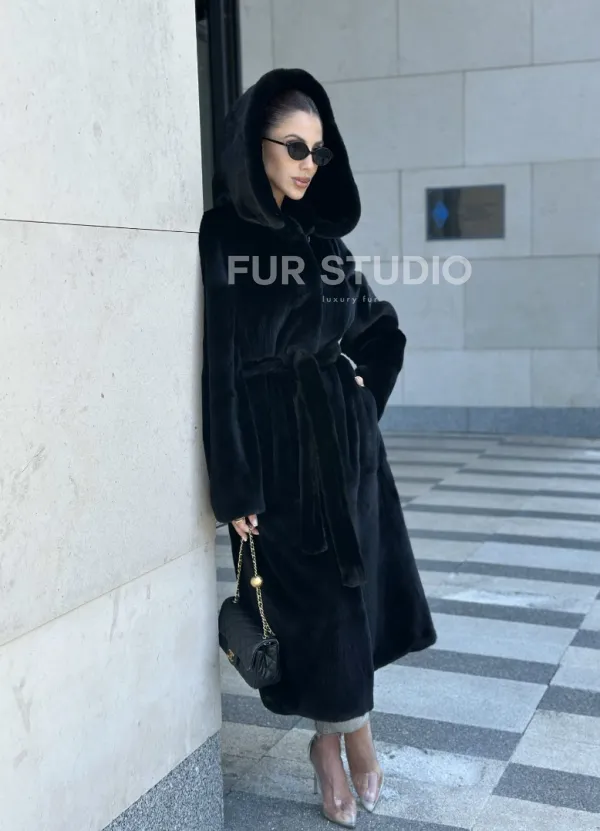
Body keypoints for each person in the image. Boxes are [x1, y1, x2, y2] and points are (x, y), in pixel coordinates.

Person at [200, 67, 437, 828]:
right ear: (256, 146)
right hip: (279, 456)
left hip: (348, 449)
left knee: (354, 604)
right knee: (320, 610)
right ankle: (346, 743)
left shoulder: (325, 239)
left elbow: (381, 326)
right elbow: (221, 368)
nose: (309, 163)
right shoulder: (225, 235)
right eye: (295, 147)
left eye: (320, 151)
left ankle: (334, 742)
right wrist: (236, 485)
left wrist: (362, 390)